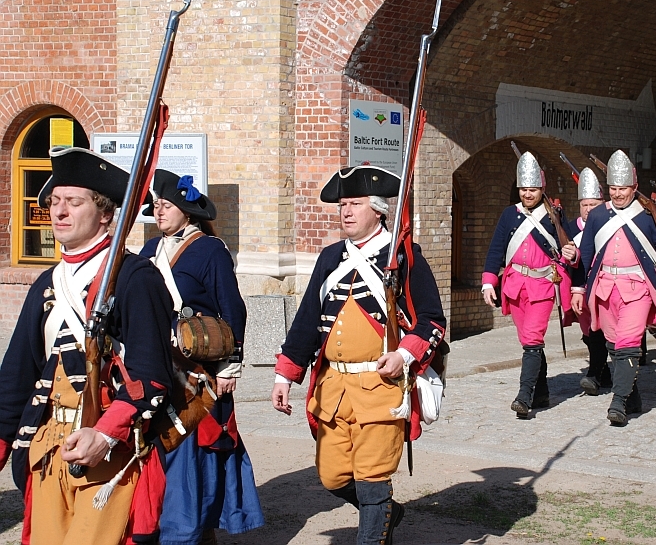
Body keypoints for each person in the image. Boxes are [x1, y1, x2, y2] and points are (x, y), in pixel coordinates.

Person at [0, 147, 174, 543]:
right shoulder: (47, 283)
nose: (59, 211)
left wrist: (106, 434)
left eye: (74, 202)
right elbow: (16, 376)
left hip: (107, 451)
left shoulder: (135, 278)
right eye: (55, 201)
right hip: (45, 448)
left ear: (106, 213)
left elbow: (152, 378)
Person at [271, 165, 446, 545]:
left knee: (371, 482)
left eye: (356, 203)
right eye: (343, 204)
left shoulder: (403, 256)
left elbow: (432, 321)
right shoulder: (331, 257)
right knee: (332, 476)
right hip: (334, 388)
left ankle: (376, 517)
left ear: (379, 209)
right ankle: (386, 512)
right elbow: (306, 321)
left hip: (381, 387)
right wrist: (285, 375)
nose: (346, 211)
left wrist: (404, 354)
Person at [139, 169, 264, 545]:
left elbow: (232, 310)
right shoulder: (148, 252)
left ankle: (191, 531)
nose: (159, 212)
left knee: (195, 457)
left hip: (200, 372)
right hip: (159, 367)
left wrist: (230, 365)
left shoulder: (210, 250)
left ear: (187, 210)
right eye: (156, 205)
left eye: (167, 205)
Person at [572, 150, 656, 426]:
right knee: (614, 345)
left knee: (628, 344)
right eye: (613, 189)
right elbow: (587, 253)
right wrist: (578, 289)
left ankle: (618, 401)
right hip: (604, 288)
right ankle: (632, 395)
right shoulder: (597, 216)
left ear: (635, 187)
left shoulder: (647, 215)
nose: (617, 194)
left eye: (623, 189)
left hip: (637, 287)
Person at [482, 151, 576, 418]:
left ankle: (524, 397)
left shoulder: (554, 214)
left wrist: (572, 253)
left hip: (543, 285)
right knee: (528, 342)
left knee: (533, 339)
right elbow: (496, 250)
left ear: (541, 188)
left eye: (532, 189)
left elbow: (570, 245)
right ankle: (543, 390)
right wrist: (489, 282)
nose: (527, 194)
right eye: (523, 189)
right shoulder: (509, 215)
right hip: (514, 286)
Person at [568, 168, 611, 395]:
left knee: (598, 331)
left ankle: (594, 374)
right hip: (580, 287)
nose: (588, 209)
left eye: (593, 205)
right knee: (588, 333)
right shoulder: (571, 228)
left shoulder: (609, 225)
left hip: (604, 285)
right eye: (584, 204)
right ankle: (602, 370)